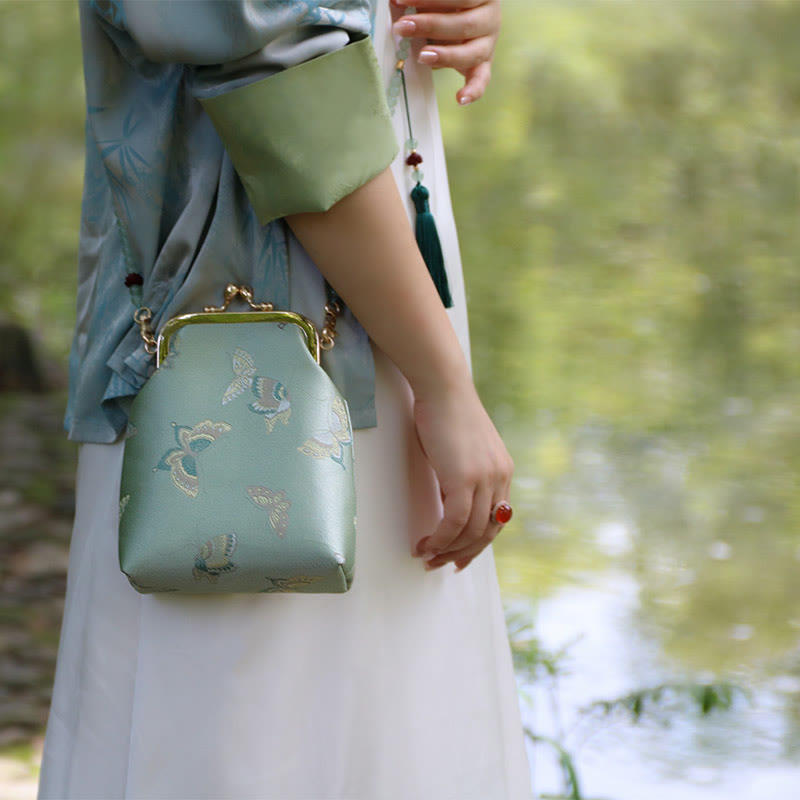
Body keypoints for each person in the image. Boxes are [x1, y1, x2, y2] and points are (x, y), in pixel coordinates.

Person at [38, 1, 532, 798]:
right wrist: (443, 384)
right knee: (250, 724)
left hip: (365, 322)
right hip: (256, 375)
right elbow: (280, 80)